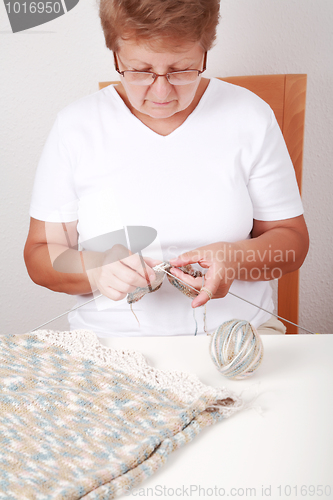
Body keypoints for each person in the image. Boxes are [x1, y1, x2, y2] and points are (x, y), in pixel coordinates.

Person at [24, 0, 309, 338]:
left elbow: (292, 242)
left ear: (205, 54)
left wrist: (235, 259)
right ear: (115, 55)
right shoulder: (76, 127)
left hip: (236, 338)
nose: (161, 92)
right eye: (140, 70)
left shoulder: (249, 116)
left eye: (181, 69)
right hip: (109, 344)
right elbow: (40, 256)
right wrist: (95, 270)